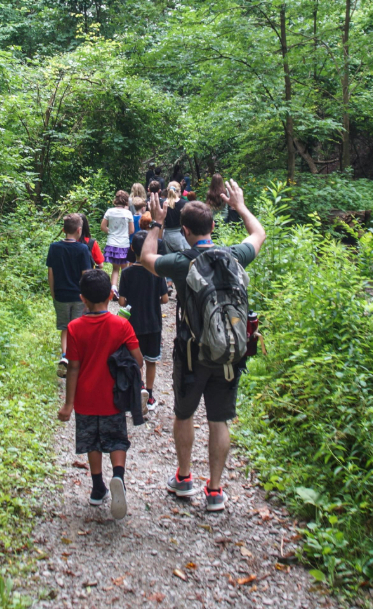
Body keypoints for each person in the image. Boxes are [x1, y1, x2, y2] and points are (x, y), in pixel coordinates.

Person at [140, 180, 266, 512]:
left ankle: (184, 479)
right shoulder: (233, 255)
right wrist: (239, 206)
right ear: (212, 226)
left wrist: (156, 222)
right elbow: (259, 234)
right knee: (218, 420)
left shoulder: (182, 262)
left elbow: (146, 257)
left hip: (192, 354)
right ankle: (215, 490)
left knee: (184, 414)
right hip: (229, 354)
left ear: (184, 229)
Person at [57, 269, 143, 521]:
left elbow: (72, 367)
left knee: (92, 442)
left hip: (85, 399)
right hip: (114, 397)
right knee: (117, 439)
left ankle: (97, 487)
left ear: (82, 298)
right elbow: (138, 360)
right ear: (110, 295)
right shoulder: (121, 325)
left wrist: (68, 404)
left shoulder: (74, 328)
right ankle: (118, 476)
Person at [117, 230, 169, 413]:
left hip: (132, 326)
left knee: (134, 360)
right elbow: (165, 299)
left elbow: (122, 301)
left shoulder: (127, 273)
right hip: (154, 324)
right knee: (151, 361)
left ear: (132, 248)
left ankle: (137, 390)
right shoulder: (157, 272)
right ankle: (150, 393)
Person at [47, 214, 94, 378]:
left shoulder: (54, 247)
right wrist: (87, 298)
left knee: (65, 328)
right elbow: (86, 275)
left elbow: (50, 273)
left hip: (61, 295)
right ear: (79, 230)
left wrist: (54, 294)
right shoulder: (82, 249)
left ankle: (65, 356)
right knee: (78, 328)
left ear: (63, 230)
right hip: (79, 296)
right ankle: (77, 359)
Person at [101, 190, 135, 293]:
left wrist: (110, 232)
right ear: (125, 201)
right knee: (124, 268)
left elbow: (103, 227)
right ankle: (123, 290)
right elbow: (132, 230)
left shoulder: (109, 211)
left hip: (112, 243)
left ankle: (113, 288)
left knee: (115, 268)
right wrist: (124, 234)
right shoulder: (128, 213)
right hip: (123, 243)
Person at [158, 181, 190, 255]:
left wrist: (159, 239)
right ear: (179, 191)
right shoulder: (184, 204)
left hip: (167, 236)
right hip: (181, 235)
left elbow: (161, 223)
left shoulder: (163, 204)